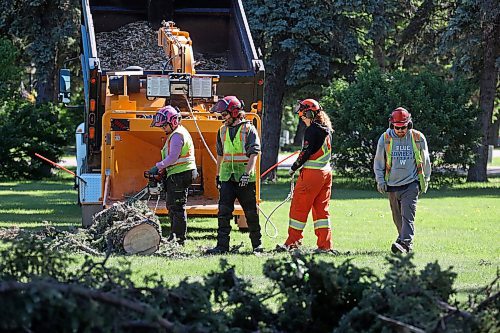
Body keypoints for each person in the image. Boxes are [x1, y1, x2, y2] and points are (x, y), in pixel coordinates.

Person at [205, 95, 262, 254]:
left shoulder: (248, 129)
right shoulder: (222, 130)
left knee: (250, 213)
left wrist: (247, 173)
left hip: (244, 179)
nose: (222, 118)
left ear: (235, 112)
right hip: (227, 177)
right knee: (223, 213)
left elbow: (254, 154)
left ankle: (257, 245)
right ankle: (222, 247)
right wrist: (217, 175)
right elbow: (220, 155)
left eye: (224, 115)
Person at [277, 99, 334, 253]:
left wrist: (294, 167)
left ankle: (292, 243)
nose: (301, 116)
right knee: (321, 211)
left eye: (302, 113)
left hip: (311, 176)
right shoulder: (326, 129)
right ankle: (325, 245)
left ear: (310, 113)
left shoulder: (312, 130)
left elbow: (306, 152)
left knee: (298, 208)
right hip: (326, 174)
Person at [373, 107, 431, 253]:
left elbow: (426, 160)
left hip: (411, 184)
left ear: (409, 125)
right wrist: (380, 180)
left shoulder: (417, 138)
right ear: (391, 125)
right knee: (397, 216)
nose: (400, 130)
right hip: (391, 185)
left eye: (403, 127)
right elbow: (379, 161)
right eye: (397, 127)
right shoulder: (385, 138)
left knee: (408, 214)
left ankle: (406, 243)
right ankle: (402, 239)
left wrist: (426, 180)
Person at [149, 105, 197, 246]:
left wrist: (157, 166)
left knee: (176, 207)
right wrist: (163, 170)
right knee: (173, 206)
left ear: (173, 122)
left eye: (164, 125)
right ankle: (174, 236)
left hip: (180, 174)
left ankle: (178, 239)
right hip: (178, 173)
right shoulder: (176, 134)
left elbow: (173, 158)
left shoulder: (177, 135)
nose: (163, 128)